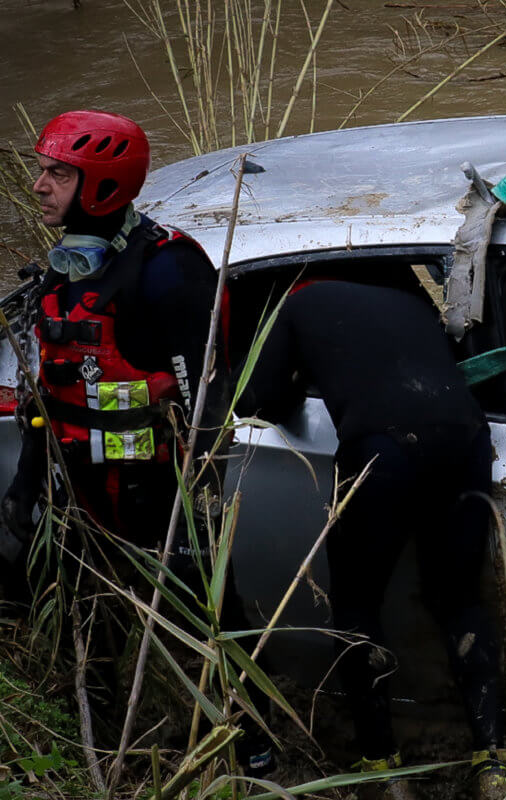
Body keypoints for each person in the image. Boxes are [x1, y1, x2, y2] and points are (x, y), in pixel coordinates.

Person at [0, 110, 268, 771]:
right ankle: (100, 753)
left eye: (58, 174)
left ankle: (255, 755)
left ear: (104, 186)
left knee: (216, 629)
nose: (38, 186)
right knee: (89, 631)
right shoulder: (66, 269)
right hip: (85, 502)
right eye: (43, 170)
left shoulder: (167, 271)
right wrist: (23, 491)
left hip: (161, 496)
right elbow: (44, 393)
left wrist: (195, 513)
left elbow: (207, 399)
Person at [234, 279, 506, 800]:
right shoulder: (410, 301)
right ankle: (491, 763)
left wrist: (300, 375)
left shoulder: (297, 306)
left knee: (358, 602)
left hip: (384, 448)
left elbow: (259, 402)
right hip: (466, 438)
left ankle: (383, 768)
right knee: (461, 601)